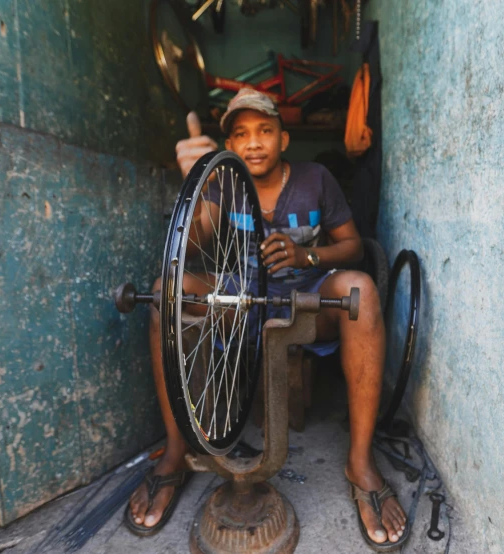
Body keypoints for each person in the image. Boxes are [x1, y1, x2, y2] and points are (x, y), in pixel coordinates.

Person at [125, 88, 408, 551]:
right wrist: (191, 185)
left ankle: (360, 463)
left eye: (264, 131)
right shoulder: (221, 184)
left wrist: (306, 253)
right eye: (240, 134)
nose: (253, 142)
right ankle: (175, 455)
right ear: (229, 146)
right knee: (164, 293)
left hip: (307, 299)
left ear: (283, 139)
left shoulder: (317, 179)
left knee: (361, 289)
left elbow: (354, 246)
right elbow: (192, 248)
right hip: (240, 301)